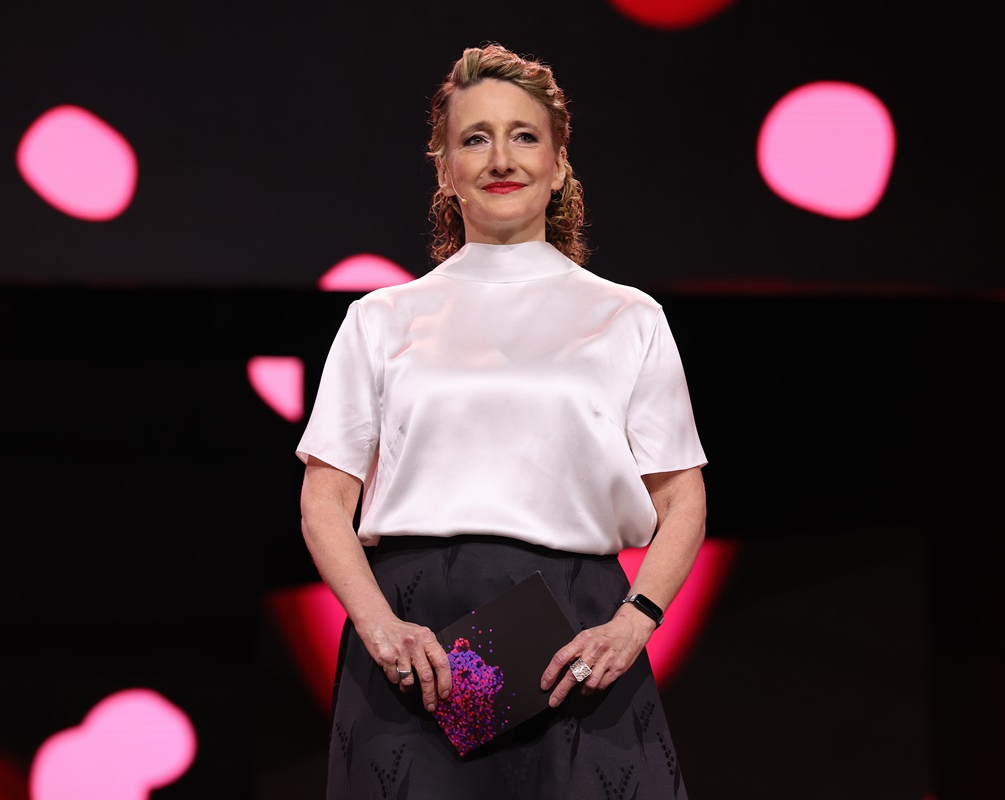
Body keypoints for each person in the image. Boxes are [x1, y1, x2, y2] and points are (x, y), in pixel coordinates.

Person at [297, 43, 707, 799]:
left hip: (579, 641)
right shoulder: (381, 319)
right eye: (474, 138)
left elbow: (682, 498)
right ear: (444, 167)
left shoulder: (629, 318)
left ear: (558, 163)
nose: (501, 158)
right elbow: (324, 500)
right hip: (417, 652)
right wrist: (380, 627)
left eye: (524, 135)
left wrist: (636, 619)